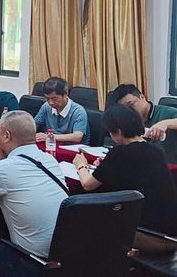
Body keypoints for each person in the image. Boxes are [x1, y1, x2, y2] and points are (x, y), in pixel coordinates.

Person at [73, 104, 177, 253]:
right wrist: (108, 166)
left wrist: (81, 165)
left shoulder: (119, 153)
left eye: (111, 132)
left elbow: (88, 185)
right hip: (171, 234)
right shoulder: (156, 149)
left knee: (85, 220)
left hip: (150, 236)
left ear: (119, 131)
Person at [0, 111, 68, 259]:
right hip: (66, 250)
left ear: (6, 136)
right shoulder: (50, 160)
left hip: (32, 259)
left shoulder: (2, 168)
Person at [109, 83, 177, 164]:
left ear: (142, 97)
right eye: (125, 109)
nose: (129, 110)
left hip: (170, 167)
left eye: (131, 104)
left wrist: (165, 123)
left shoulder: (167, 112)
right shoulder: (129, 121)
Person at [34, 77, 89, 144]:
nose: (50, 102)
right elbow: (34, 125)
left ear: (65, 94)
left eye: (54, 99)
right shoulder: (46, 106)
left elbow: (77, 137)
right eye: (47, 98)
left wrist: (49, 136)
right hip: (52, 145)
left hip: (72, 147)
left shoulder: (78, 111)